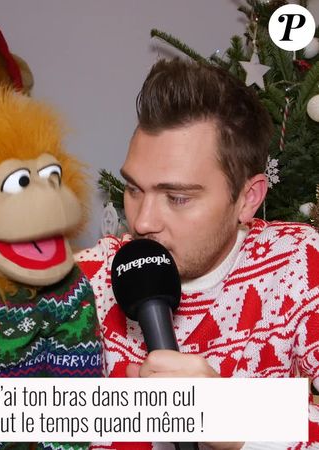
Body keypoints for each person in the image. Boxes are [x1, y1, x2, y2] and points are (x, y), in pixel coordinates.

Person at [76, 58, 319, 450]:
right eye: (134, 189)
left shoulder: (298, 262)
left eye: (177, 197)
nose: (142, 222)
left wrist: (236, 420)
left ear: (248, 199)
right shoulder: (89, 278)